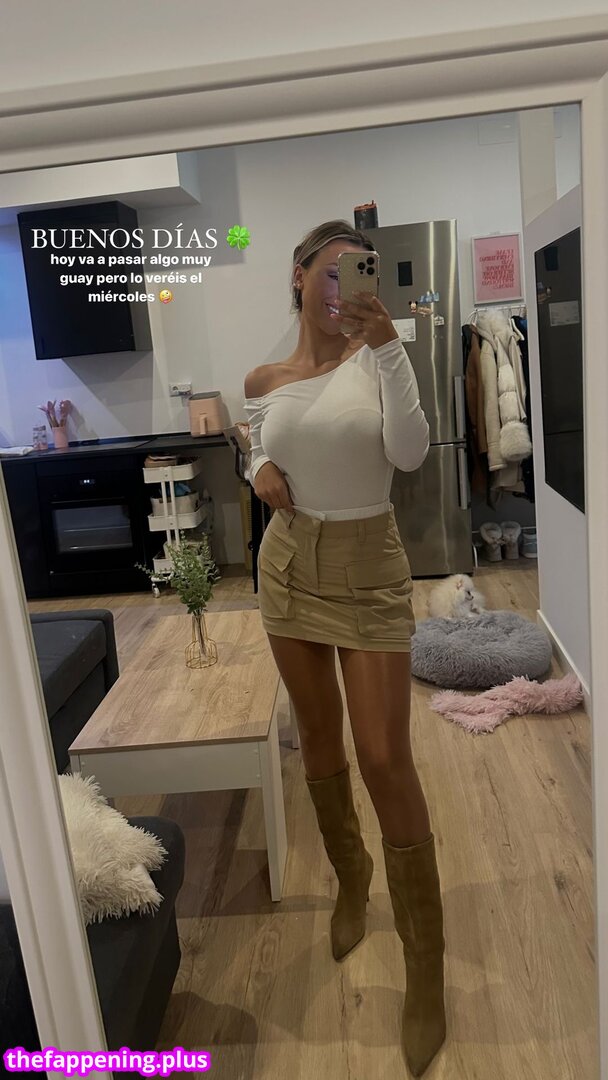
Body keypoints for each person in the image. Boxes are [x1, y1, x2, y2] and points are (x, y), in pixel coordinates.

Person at [243, 220, 445, 1077]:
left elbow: (409, 453)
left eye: (355, 273)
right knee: (319, 743)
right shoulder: (265, 378)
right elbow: (263, 437)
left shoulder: (379, 359)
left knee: (384, 757)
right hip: (290, 566)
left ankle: (425, 967)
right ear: (298, 277)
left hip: (368, 565)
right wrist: (255, 466)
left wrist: (390, 345)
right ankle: (352, 879)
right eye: (329, 273)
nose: (341, 290)